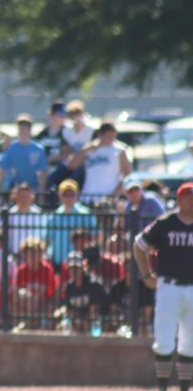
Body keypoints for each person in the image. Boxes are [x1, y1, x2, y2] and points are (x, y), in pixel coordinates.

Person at [133, 182, 193, 391]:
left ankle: (185, 387)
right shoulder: (166, 223)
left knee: (190, 342)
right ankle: (162, 387)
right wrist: (146, 274)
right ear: (179, 200)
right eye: (187, 197)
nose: (191, 201)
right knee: (164, 338)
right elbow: (139, 245)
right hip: (170, 287)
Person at [69, 121, 132, 203]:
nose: (111, 139)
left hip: (108, 197)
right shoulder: (89, 149)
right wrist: (86, 149)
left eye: (113, 136)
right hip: (88, 196)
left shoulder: (119, 150)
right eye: (108, 136)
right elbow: (72, 165)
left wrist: (116, 193)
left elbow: (127, 174)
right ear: (100, 135)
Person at [46, 179, 97, 272]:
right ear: (60, 196)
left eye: (71, 195)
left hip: (81, 263)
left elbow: (95, 237)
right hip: (59, 263)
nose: (68, 198)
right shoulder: (53, 217)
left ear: (77, 196)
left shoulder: (86, 215)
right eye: (65, 195)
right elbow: (47, 240)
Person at [0, 113, 47, 194]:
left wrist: (41, 191)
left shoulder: (38, 149)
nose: (23, 130)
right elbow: (2, 169)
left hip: (33, 189)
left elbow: (42, 171)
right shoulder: (10, 148)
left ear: (30, 129)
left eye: (26, 127)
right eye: (21, 127)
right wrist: (2, 190)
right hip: (15, 189)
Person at [63, 252, 107, 333]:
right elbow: (70, 311)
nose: (74, 271)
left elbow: (95, 310)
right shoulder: (69, 287)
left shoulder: (93, 283)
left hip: (95, 323)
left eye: (76, 268)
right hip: (78, 323)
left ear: (82, 268)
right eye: (71, 268)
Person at [35, 101, 71, 190]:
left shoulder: (66, 133)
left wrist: (52, 158)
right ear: (52, 115)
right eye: (60, 115)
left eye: (64, 116)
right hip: (43, 168)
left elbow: (66, 154)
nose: (62, 118)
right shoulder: (43, 134)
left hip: (60, 170)